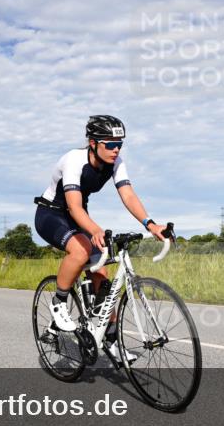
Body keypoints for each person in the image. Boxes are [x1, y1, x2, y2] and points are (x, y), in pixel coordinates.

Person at [34, 115, 167, 366]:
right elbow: (73, 206)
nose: (116, 149)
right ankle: (59, 302)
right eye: (110, 144)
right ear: (93, 143)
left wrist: (150, 224)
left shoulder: (116, 162)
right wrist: (95, 230)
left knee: (102, 276)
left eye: (120, 144)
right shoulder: (74, 160)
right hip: (51, 214)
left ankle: (111, 340)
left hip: (78, 215)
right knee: (81, 251)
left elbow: (128, 195)